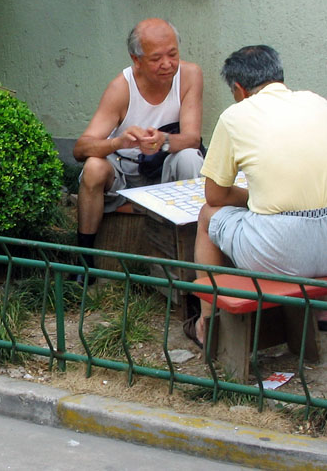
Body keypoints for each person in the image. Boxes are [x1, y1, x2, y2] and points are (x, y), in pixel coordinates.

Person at [187, 45, 327, 346]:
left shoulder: (235, 115)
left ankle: (208, 319)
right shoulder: (318, 103)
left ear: (239, 89)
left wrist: (253, 197)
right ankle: (320, 314)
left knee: (207, 217)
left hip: (280, 250)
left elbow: (215, 195)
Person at [72, 18, 204, 277]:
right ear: (136, 59)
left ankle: (194, 256)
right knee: (94, 167)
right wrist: (118, 142)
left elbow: (192, 139)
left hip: (164, 169)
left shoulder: (190, 76)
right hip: (124, 172)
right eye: (156, 58)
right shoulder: (121, 88)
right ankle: (84, 261)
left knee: (190, 157)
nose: (167, 64)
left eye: (173, 54)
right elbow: (80, 148)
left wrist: (162, 140)